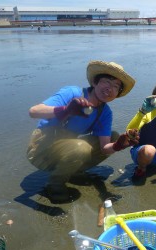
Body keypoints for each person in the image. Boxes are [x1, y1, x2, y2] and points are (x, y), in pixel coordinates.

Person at [27, 60, 139, 202]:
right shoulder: (72, 93)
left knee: (114, 137)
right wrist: (66, 110)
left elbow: (105, 148)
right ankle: (54, 184)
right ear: (95, 82)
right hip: (41, 147)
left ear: (117, 94)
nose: (110, 88)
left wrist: (119, 145)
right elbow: (34, 112)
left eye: (116, 86)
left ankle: (72, 171)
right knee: (82, 148)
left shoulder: (105, 113)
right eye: (107, 82)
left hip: (66, 145)